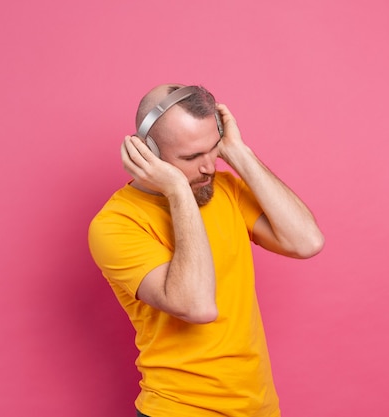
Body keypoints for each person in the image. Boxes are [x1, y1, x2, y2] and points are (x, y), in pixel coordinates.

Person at [88, 84, 324, 417]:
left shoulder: (224, 189)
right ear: (147, 152)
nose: (209, 167)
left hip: (258, 408)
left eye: (212, 150)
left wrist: (239, 153)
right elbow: (198, 306)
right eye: (190, 157)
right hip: (180, 409)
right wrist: (176, 191)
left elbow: (307, 242)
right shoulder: (116, 224)